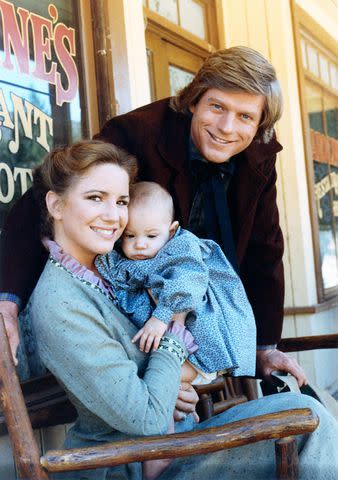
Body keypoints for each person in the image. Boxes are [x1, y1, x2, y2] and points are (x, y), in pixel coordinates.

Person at [18, 139, 338, 480]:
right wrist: (176, 324)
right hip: (121, 464)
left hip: (170, 445)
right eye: (96, 198)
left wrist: (169, 384)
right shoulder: (61, 302)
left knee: (306, 411)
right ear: (56, 204)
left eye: (121, 201)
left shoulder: (112, 269)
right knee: (307, 424)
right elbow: (147, 417)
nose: (114, 216)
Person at [0, 46, 306, 385]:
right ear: (194, 101)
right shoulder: (139, 132)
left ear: (260, 122)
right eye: (217, 106)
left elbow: (266, 248)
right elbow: (44, 197)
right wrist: (8, 302)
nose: (227, 127)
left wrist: (265, 345)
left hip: (208, 303)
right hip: (137, 313)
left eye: (245, 116)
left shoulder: (259, 152)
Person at [96, 180, 256, 380]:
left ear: (171, 231)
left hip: (196, 336)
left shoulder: (180, 247)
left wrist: (161, 315)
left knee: (165, 377)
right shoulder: (128, 261)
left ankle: (173, 387)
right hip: (160, 343)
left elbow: (189, 281)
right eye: (130, 236)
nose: (140, 244)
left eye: (151, 235)